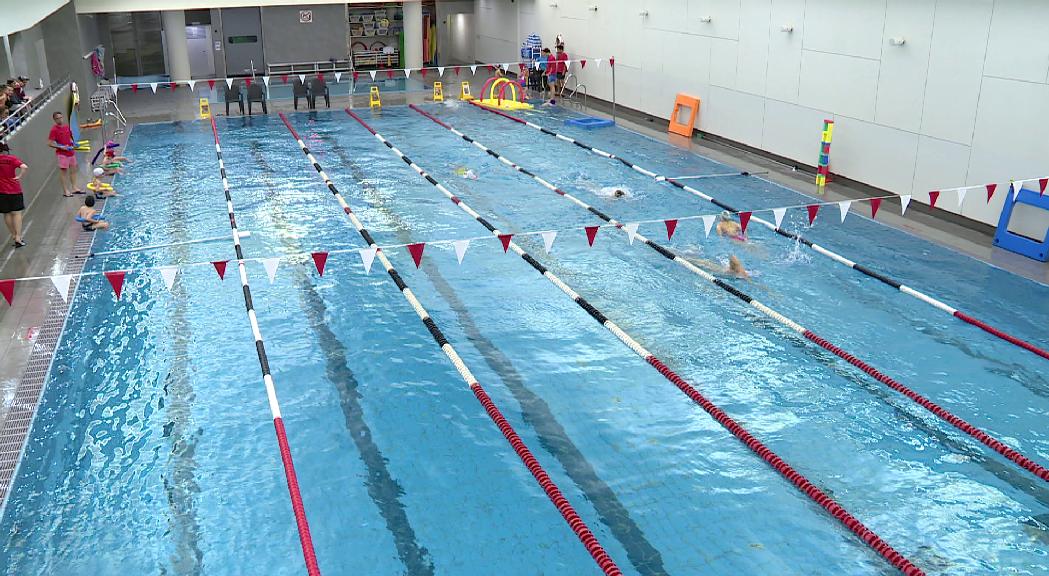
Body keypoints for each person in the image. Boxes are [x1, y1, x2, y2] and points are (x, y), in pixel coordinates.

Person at [0, 142, 28, 247]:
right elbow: (24, 167)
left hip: (1, 191)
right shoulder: (11, 159)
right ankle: (18, 237)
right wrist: (19, 176)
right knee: (16, 213)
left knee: (7, 214)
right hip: (14, 189)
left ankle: (13, 234)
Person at [49, 111, 81, 197]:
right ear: (54, 120)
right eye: (57, 118)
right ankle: (65, 190)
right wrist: (61, 147)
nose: (60, 120)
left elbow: (70, 138)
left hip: (71, 152)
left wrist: (73, 143)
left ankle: (74, 187)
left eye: (61, 117)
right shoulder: (54, 130)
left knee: (73, 170)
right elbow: (50, 143)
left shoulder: (66, 127)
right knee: (63, 172)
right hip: (62, 154)